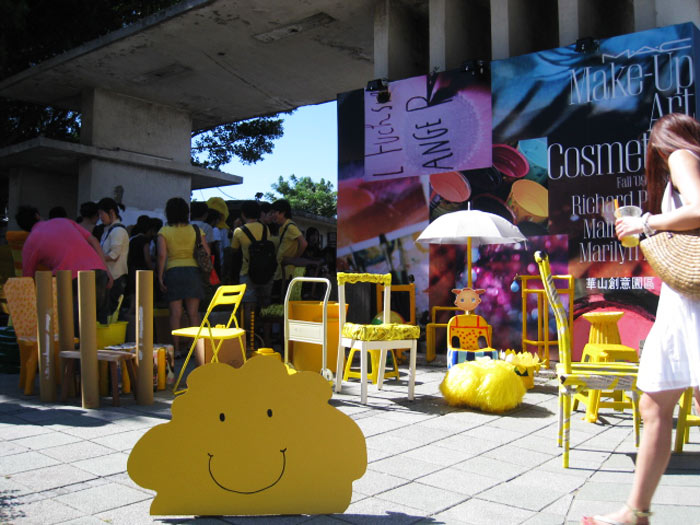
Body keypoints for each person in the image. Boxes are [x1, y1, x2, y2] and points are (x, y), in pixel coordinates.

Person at [587, 113, 700, 525]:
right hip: (681, 301)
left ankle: (635, 512)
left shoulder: (682, 157)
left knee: (659, 406)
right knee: (653, 404)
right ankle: (635, 512)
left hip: (693, 302)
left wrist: (646, 222)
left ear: (660, 144)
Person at [16, 205, 113, 324]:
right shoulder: (63, 221)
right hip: (98, 271)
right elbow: (94, 241)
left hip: (70, 279)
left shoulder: (31, 242)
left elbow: (27, 281)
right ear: (37, 215)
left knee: (76, 326)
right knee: (100, 322)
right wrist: (107, 270)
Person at [157, 197, 209, 361]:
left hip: (173, 272)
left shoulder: (164, 232)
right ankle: (196, 348)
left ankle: (177, 349)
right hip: (193, 271)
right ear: (187, 212)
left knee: (176, 313)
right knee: (193, 313)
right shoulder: (196, 230)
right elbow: (206, 251)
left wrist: (159, 276)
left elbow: (161, 256)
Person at [231, 200, 273, 335]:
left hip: (247, 272)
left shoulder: (239, 231)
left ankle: (249, 337)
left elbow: (233, 250)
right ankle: (266, 338)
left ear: (243, 214)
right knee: (265, 306)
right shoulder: (266, 229)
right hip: (267, 272)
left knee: (248, 307)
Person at [97, 198, 129, 320]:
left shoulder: (118, 231)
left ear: (111, 212)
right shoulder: (108, 230)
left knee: (110, 312)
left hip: (116, 277)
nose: (100, 217)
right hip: (108, 275)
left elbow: (114, 255)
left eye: (102, 214)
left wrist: (97, 257)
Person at [270, 199, 308, 297]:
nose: (272, 215)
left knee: (280, 301)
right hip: (280, 270)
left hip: (286, 272)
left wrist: (294, 258)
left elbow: (303, 243)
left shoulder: (290, 227)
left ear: (282, 213)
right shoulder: (282, 227)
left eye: (274, 212)